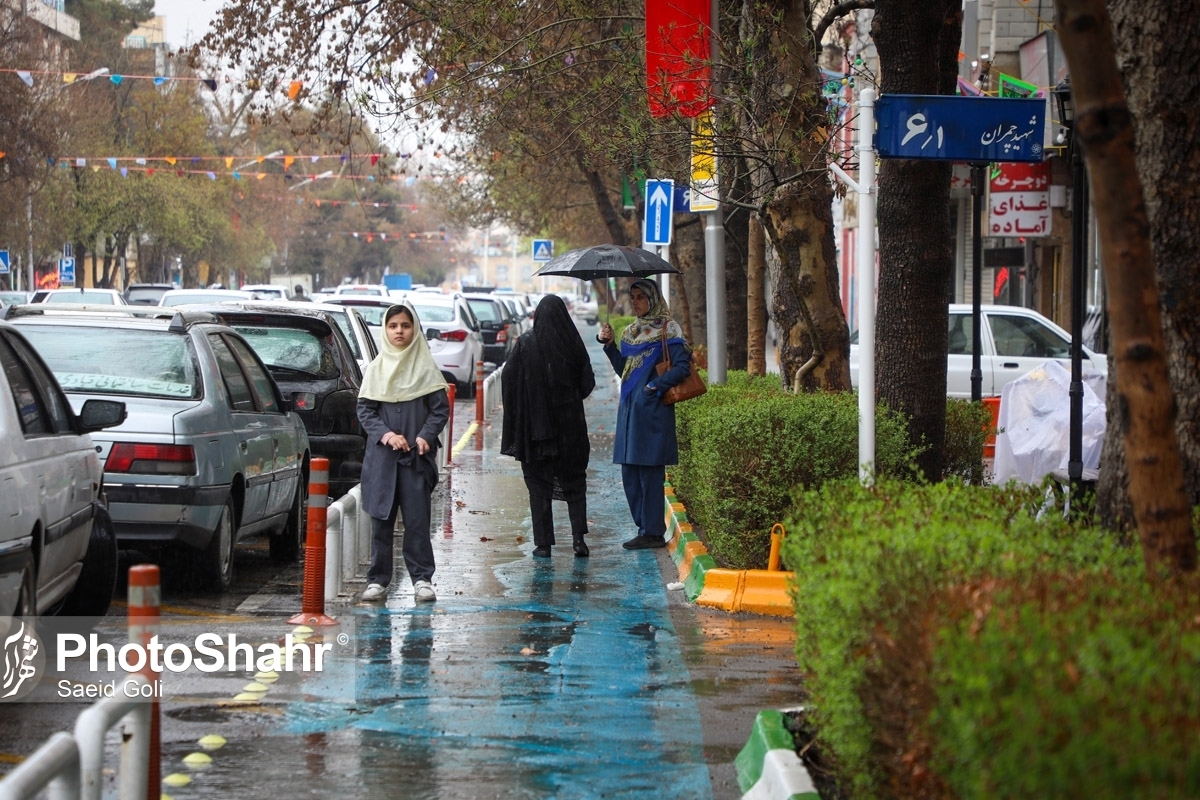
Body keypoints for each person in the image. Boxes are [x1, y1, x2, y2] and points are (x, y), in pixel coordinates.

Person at [357, 303, 450, 602]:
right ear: (385, 329)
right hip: (383, 461)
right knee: (381, 522)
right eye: (393, 325)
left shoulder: (425, 369)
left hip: (415, 460)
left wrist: (425, 436)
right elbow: (365, 410)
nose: (399, 331)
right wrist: (385, 435)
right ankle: (378, 580)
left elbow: (439, 410)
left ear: (414, 329)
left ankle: (422, 578)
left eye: (405, 326)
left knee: (417, 522)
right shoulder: (376, 369)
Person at [596, 279, 692, 550]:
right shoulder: (630, 332)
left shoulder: (668, 329)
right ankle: (644, 528)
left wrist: (653, 386)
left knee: (650, 472)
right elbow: (623, 370)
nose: (636, 302)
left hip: (652, 411)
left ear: (653, 298)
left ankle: (652, 532)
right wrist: (610, 346)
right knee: (630, 472)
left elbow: (683, 367)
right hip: (629, 412)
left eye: (641, 297)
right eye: (633, 296)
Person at [501, 294, 596, 557]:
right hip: (570, 429)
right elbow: (587, 383)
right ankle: (579, 541)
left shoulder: (526, 344)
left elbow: (508, 380)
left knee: (538, 485)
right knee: (574, 483)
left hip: (536, 430)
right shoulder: (573, 344)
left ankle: (543, 545)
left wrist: (526, 405)